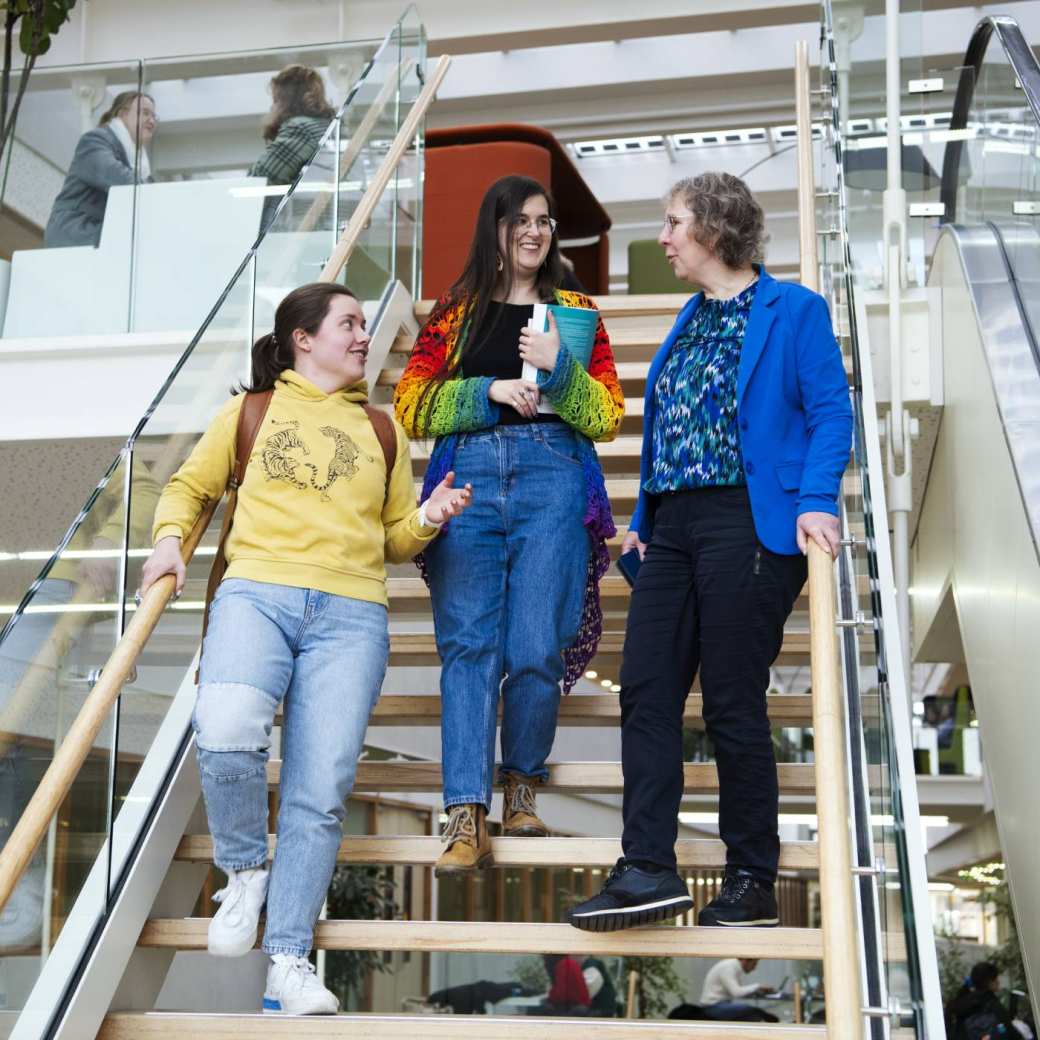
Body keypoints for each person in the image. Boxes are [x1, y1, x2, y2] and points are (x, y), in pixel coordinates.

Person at [138, 282, 471, 1015]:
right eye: (349, 324)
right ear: (304, 339)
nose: (361, 336)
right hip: (256, 592)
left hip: (352, 615)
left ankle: (287, 961)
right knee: (224, 731)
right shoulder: (251, 413)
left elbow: (389, 540)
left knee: (319, 797)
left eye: (362, 324)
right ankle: (245, 868)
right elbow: (188, 491)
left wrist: (429, 518)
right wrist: (169, 547)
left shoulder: (384, 432)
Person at [568, 171, 852, 932]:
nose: (662, 238)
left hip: (748, 520)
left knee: (731, 701)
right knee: (646, 690)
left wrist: (817, 500)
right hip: (674, 530)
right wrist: (644, 517)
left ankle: (752, 879)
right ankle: (648, 868)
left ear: (716, 230)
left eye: (672, 223)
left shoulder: (793, 310)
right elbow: (674, 428)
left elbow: (829, 410)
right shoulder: (688, 319)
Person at [394, 174, 623, 876]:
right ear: (494, 228)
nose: (535, 230)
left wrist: (557, 374)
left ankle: (522, 792)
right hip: (470, 477)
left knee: (534, 647)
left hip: (553, 475)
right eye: (521, 219)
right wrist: (487, 390)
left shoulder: (577, 313)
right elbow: (409, 405)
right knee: (469, 649)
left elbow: (608, 416)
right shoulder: (454, 313)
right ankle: (466, 814)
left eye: (545, 220)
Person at [44, 91, 157, 247]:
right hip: (75, 231)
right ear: (123, 114)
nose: (151, 120)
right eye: (145, 113)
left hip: (99, 232)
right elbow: (116, 177)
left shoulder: (140, 164)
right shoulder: (95, 141)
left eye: (154, 116)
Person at [249, 65, 336, 231]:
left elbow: (261, 176)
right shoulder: (329, 130)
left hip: (295, 230)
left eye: (275, 101)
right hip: (321, 227)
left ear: (285, 101)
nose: (272, 108)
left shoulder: (301, 129)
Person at [946, 962, 1017, 1040]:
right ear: (989, 982)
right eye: (996, 978)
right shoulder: (992, 1003)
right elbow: (1011, 1032)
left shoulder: (961, 1003)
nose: (998, 982)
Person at [698, 957, 779, 1022]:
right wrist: (757, 986)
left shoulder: (733, 967)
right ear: (745, 960)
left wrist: (757, 990)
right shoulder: (729, 967)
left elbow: (738, 991)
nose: (754, 968)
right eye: (754, 964)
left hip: (718, 1005)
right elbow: (736, 992)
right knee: (753, 1012)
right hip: (712, 1007)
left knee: (753, 1013)